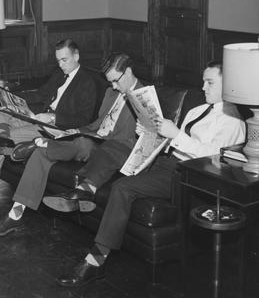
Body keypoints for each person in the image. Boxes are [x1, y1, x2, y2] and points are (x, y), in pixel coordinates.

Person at [56, 61, 246, 288]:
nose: (203, 87)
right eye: (203, 81)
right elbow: (172, 143)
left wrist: (175, 134)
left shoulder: (233, 121)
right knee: (115, 159)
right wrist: (149, 132)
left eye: (210, 82)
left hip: (186, 176)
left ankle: (95, 260)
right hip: (164, 161)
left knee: (122, 188)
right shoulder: (197, 110)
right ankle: (86, 190)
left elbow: (213, 157)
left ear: (229, 85)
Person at [0, 52, 142, 236]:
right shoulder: (111, 92)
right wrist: (77, 130)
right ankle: (15, 215)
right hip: (93, 137)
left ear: (129, 71)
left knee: (82, 143)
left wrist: (83, 135)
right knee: (43, 154)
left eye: (116, 81)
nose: (113, 86)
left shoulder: (145, 97)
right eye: (111, 82)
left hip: (112, 148)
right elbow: (97, 124)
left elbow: (136, 140)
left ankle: (32, 144)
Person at [0, 39, 100, 209]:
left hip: (53, 129)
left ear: (76, 56)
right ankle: (3, 136)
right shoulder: (59, 74)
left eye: (65, 60)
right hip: (36, 118)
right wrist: (15, 98)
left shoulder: (87, 82)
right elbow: (41, 94)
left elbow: (84, 119)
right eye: (58, 60)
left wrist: (52, 118)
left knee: (9, 133)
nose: (61, 65)